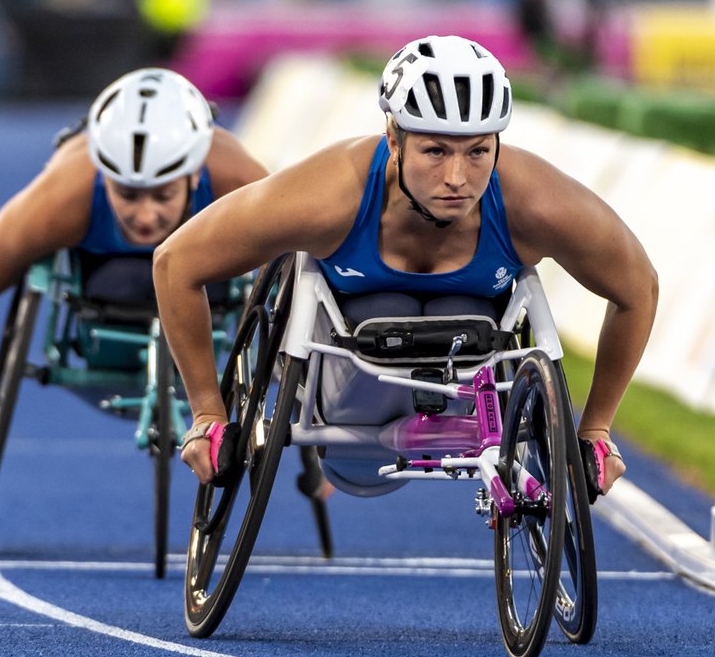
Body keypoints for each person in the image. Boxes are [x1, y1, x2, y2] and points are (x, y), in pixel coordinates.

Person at [153, 34, 658, 497]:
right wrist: (207, 413)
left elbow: (638, 289)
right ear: (393, 139)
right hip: (349, 390)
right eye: (435, 151)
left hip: (465, 366)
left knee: (462, 310)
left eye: (479, 151)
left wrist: (595, 429)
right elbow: (176, 262)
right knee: (385, 306)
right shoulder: (329, 195)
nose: (458, 177)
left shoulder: (536, 203)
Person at [0, 67, 268, 409]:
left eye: (164, 195)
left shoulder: (235, 178)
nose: (147, 216)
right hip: (100, 271)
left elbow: (294, 273)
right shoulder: (60, 199)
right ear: (105, 178)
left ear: (192, 177)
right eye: (129, 195)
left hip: (202, 271)